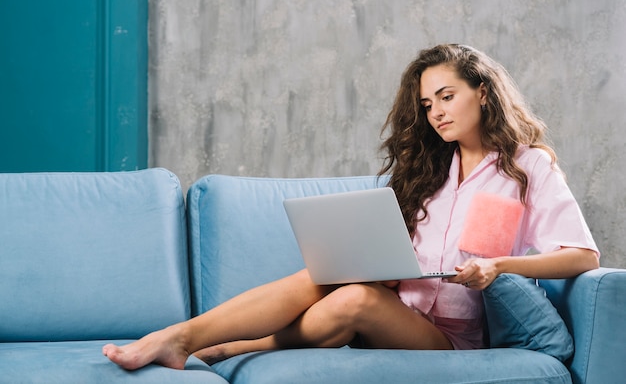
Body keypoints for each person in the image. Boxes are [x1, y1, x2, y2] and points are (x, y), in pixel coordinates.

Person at [102, 44, 599, 370]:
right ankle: (179, 337)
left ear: (483, 93)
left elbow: (582, 256)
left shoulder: (527, 166)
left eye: (447, 96)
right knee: (321, 276)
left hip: (456, 337)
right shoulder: (433, 169)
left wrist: (497, 266)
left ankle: (239, 345)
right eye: (427, 105)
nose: (437, 113)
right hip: (401, 310)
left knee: (352, 299)